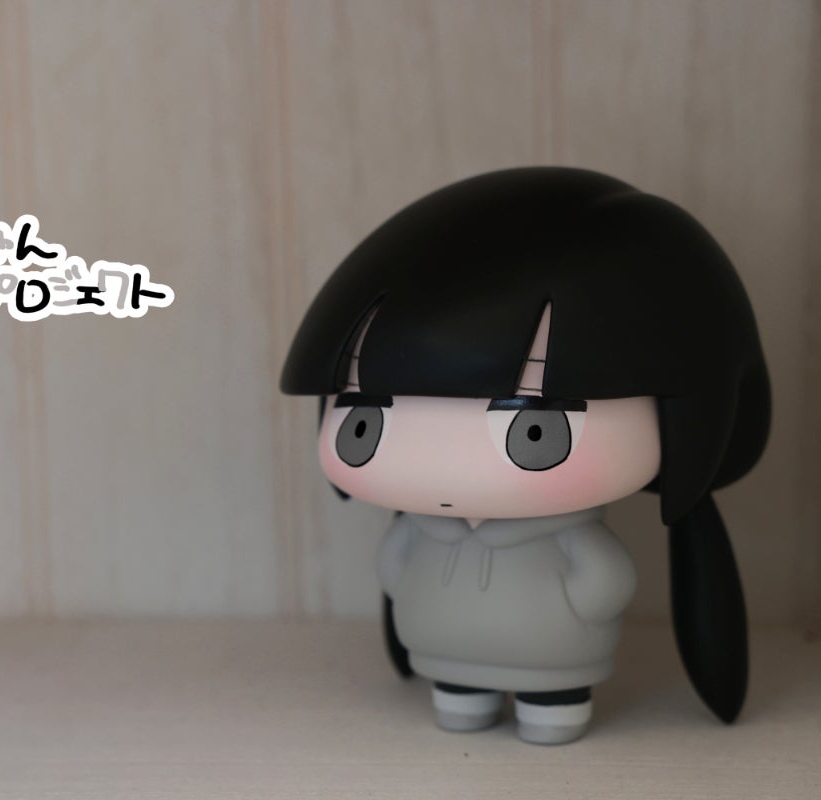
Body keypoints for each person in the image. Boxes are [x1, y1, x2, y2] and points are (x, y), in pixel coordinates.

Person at [279, 167, 770, 744]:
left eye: (534, 430)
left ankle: (551, 710)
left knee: (551, 711)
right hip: (444, 654)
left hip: (554, 662)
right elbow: (394, 568)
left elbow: (606, 581)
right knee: (458, 700)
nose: (443, 464)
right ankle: (462, 696)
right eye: (364, 424)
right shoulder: (422, 528)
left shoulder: (567, 536)